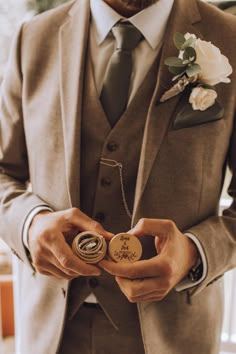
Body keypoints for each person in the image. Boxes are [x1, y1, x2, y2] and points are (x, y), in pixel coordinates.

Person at [0, 0, 235, 353]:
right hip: (51, 334)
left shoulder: (229, 40)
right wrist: (30, 224)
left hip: (175, 335)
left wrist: (193, 252)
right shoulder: (33, 38)